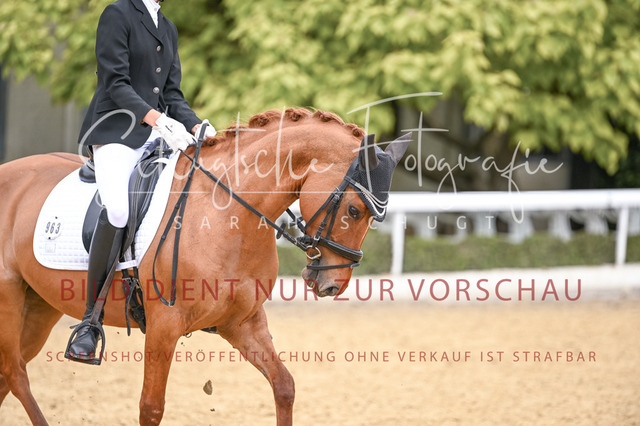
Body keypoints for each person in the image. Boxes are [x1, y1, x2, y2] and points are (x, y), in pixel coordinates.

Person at [65, 0, 215, 364]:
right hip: (116, 131)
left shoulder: (167, 26)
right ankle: (90, 320)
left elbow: (172, 95)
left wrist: (198, 126)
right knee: (118, 210)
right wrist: (157, 120)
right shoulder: (117, 14)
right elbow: (115, 83)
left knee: (193, 190)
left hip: (154, 134)